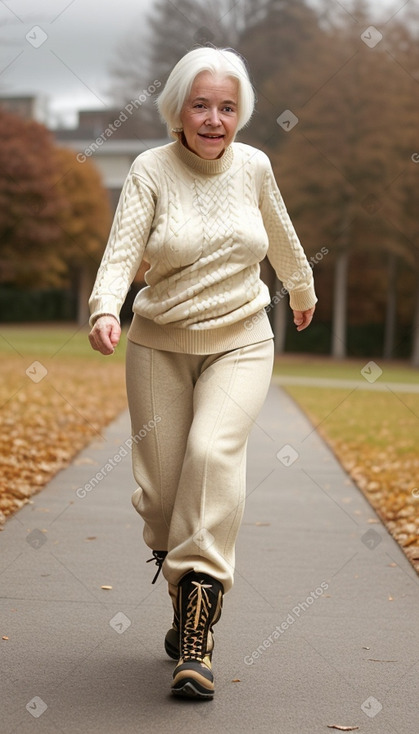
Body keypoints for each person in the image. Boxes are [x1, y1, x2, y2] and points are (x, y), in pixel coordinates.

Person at [88, 46, 317, 700]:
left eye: (226, 106)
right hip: (157, 342)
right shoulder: (148, 170)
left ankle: (197, 637)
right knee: (163, 499)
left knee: (210, 457)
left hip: (240, 339)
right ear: (177, 110)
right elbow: (120, 252)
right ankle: (184, 594)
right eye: (200, 104)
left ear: (239, 112)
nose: (214, 119)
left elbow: (280, 235)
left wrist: (300, 289)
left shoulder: (253, 167)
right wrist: (105, 308)